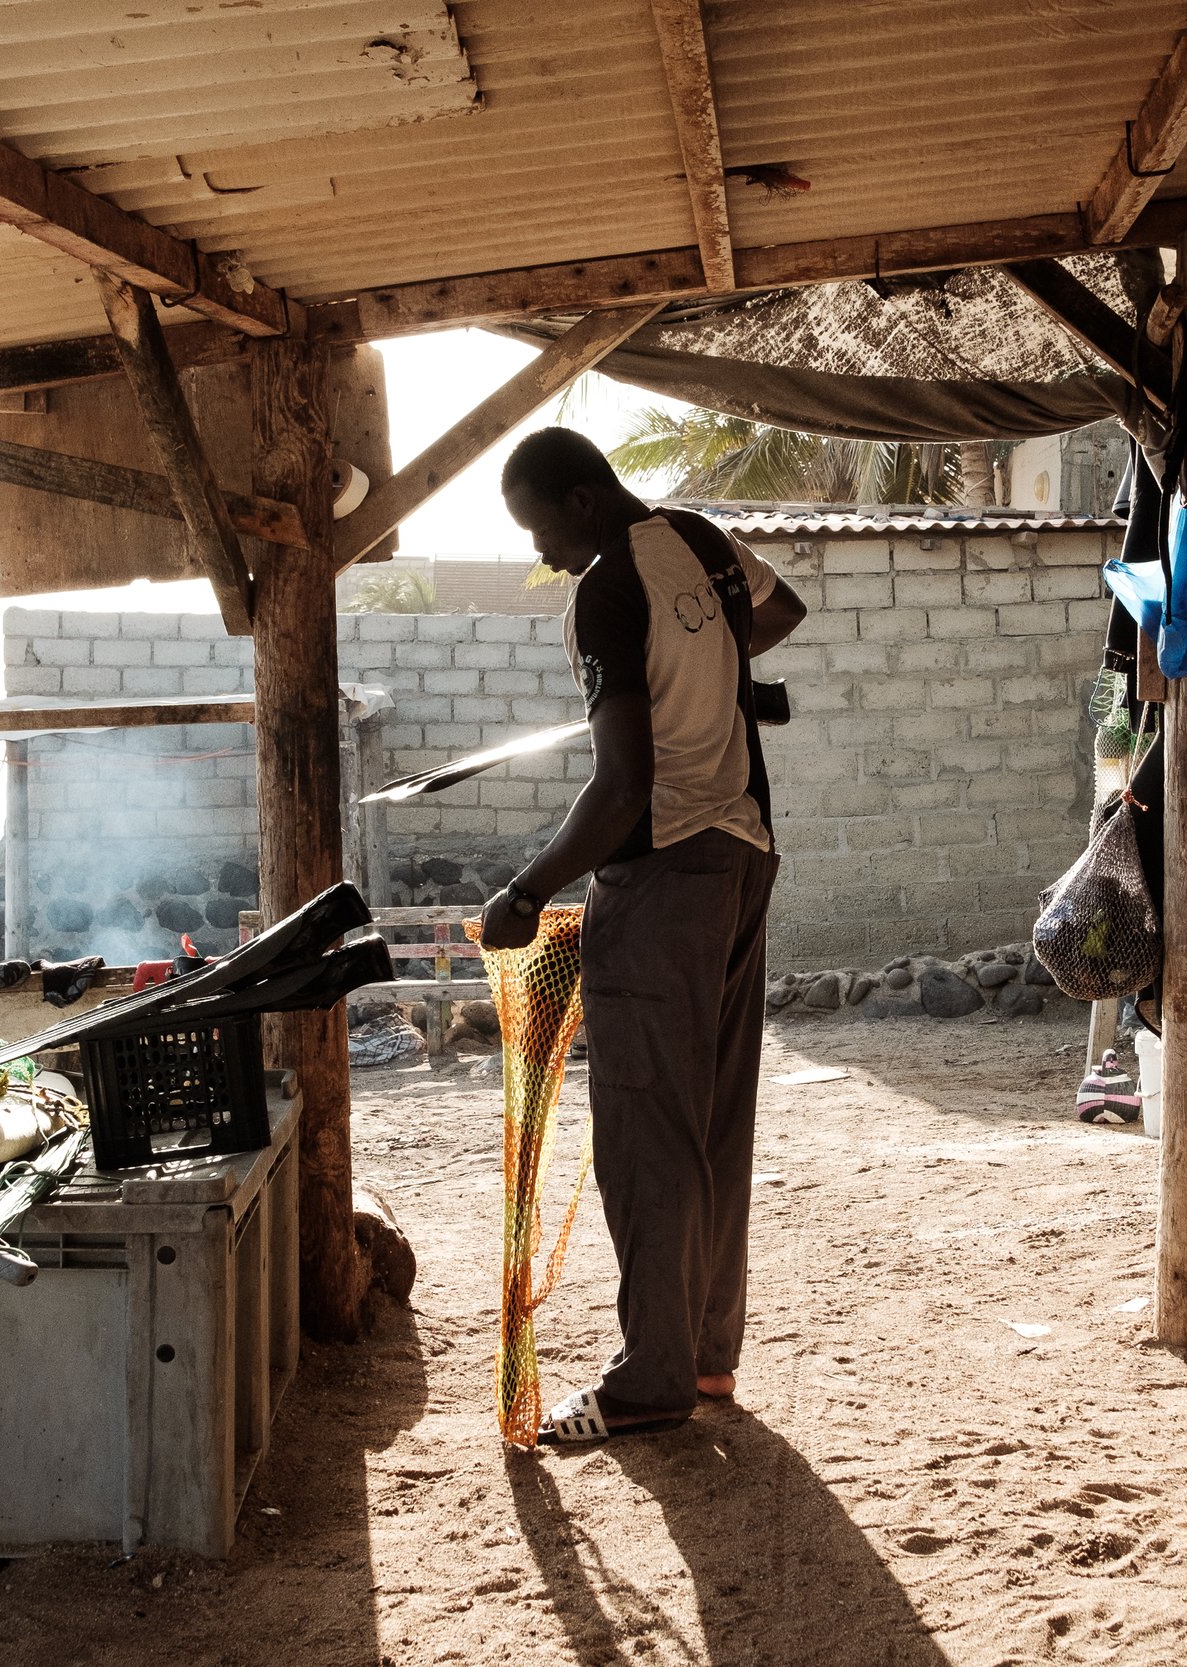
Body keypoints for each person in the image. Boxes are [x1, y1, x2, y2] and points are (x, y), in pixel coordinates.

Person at [476, 428, 808, 1444]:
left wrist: (526, 889)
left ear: (580, 501)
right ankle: (704, 1355)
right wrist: (713, 669)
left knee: (646, 1131)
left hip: (665, 873)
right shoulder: (698, 539)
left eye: (540, 530)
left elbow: (620, 787)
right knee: (711, 1119)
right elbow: (781, 607)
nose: (543, 557)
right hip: (741, 853)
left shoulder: (606, 589)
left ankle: (652, 1377)